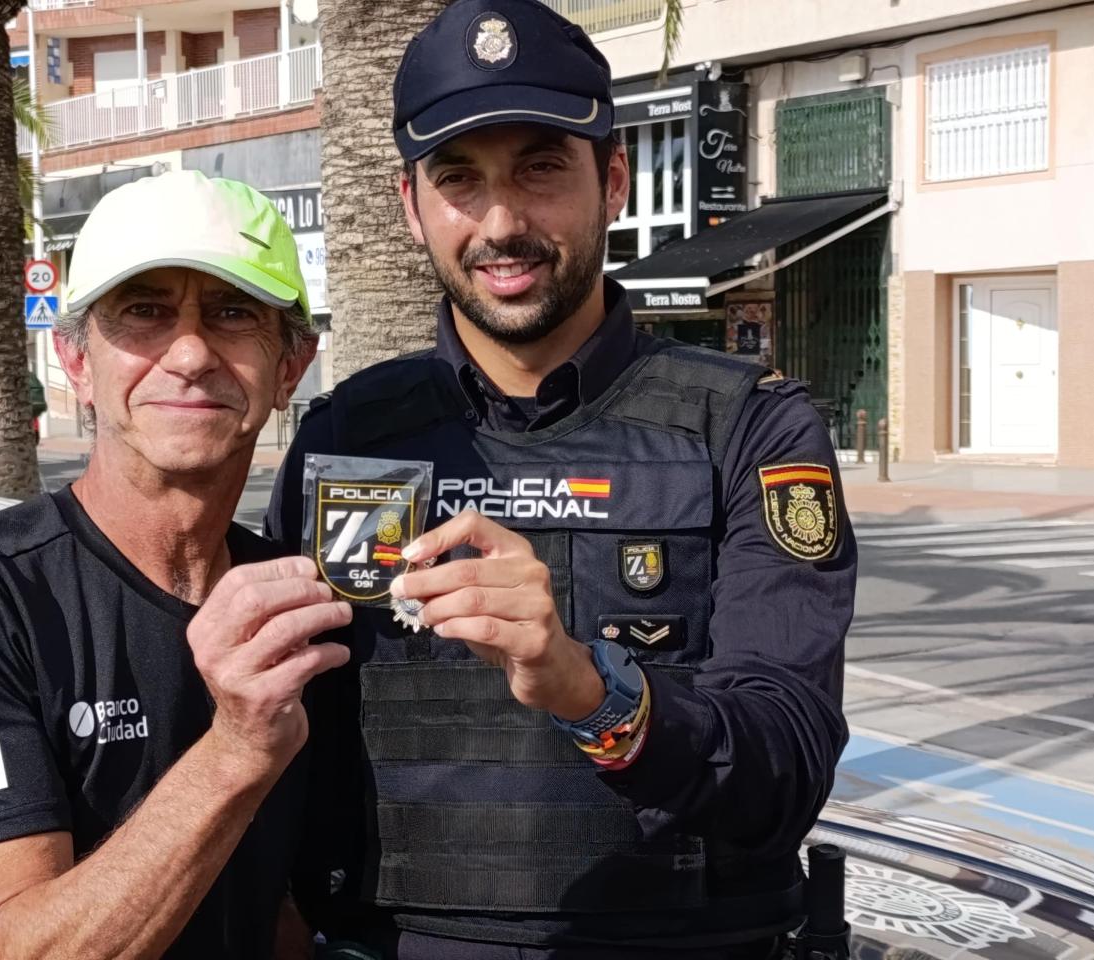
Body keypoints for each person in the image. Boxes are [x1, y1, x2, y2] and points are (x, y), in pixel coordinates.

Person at [266, 1, 855, 956]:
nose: (502, 223)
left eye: (542, 168)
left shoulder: (749, 426)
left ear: (612, 178)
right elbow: (290, 742)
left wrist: (591, 690)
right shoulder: (351, 434)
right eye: (459, 179)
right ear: (410, 205)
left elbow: (784, 765)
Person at [0, 171, 350, 960]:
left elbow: (262, 899)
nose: (188, 353)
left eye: (233, 312)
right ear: (76, 362)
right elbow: (16, 951)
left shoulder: (289, 603)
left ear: (289, 367)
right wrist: (238, 749)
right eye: (143, 313)